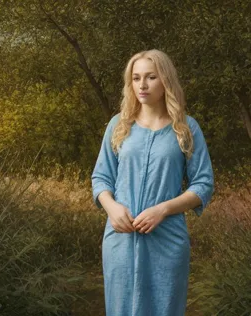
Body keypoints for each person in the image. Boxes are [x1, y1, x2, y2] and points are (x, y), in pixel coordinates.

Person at [91, 49, 214, 316]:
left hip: (167, 239)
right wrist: (112, 208)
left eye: (150, 77)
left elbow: (203, 184)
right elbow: (101, 177)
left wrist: (163, 210)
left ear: (166, 80)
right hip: (120, 238)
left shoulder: (186, 128)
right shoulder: (118, 125)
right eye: (136, 78)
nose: (142, 85)